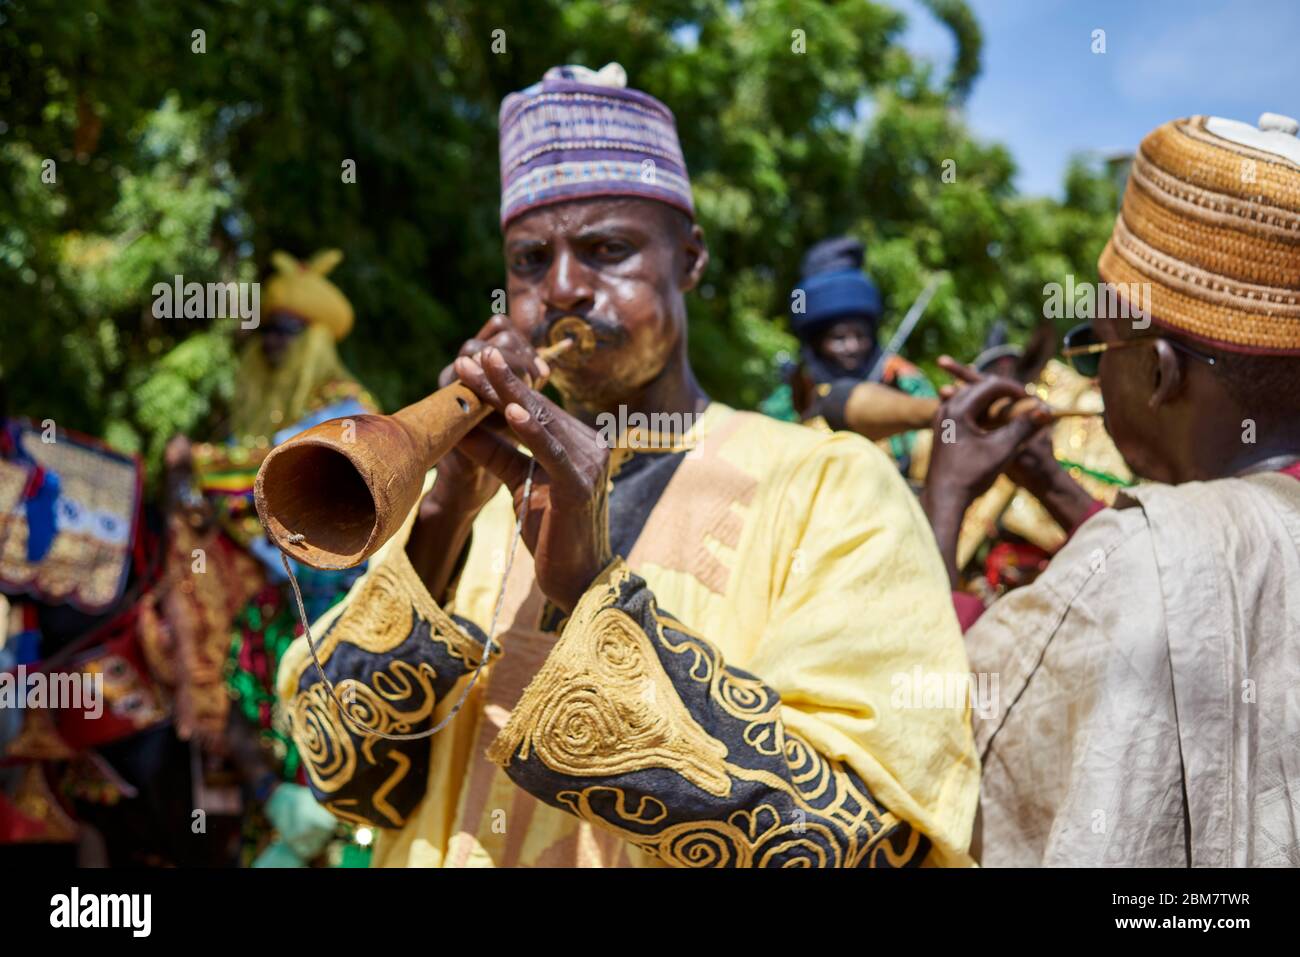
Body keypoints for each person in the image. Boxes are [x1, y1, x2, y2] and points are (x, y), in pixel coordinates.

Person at [276, 63, 978, 868]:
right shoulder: (476, 505)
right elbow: (350, 781)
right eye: (531, 260)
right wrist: (443, 510)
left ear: (690, 259)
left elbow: (862, 839)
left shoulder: (832, 484)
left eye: (607, 249)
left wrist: (588, 589)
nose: (565, 287)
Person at [922, 112, 1300, 866]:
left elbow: (924, 745)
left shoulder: (1140, 554)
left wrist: (944, 500)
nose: (1093, 377)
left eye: (1094, 348)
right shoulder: (1189, 547)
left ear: (1158, 371)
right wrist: (1054, 485)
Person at [147, 249, 378, 866]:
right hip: (280, 601)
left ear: (318, 339)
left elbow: (273, 463)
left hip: (345, 598)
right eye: (266, 331)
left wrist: (195, 463)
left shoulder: (347, 407)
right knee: (246, 699)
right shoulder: (261, 415)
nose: (272, 343)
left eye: (287, 331)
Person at [760, 237, 937, 475]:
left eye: (860, 336)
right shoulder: (789, 399)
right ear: (817, 343)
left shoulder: (907, 385)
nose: (852, 346)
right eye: (839, 339)